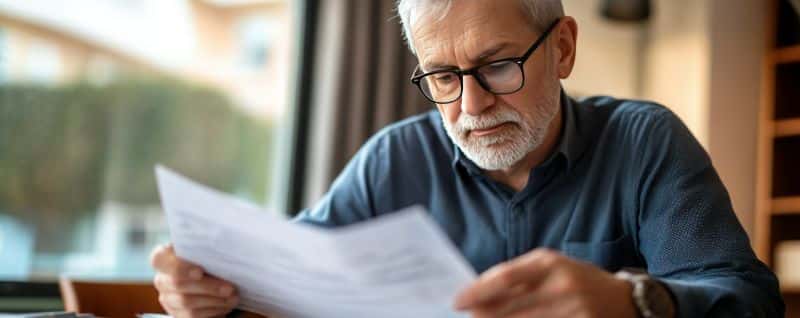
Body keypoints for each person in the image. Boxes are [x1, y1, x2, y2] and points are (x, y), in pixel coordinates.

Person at [150, 0, 784, 317]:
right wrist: (214, 290)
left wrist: (633, 301)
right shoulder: (393, 159)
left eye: (497, 65)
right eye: (442, 77)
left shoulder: (644, 142)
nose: (471, 104)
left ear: (561, 49)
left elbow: (748, 299)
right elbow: (292, 275)